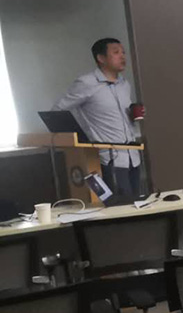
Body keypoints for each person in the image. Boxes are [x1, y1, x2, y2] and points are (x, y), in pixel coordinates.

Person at [53, 38, 144, 200]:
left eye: (123, 52)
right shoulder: (86, 83)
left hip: (133, 157)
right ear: (101, 58)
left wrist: (133, 113)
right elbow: (57, 111)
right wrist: (80, 137)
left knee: (137, 205)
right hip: (109, 159)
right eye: (116, 52)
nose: (122, 56)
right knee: (119, 207)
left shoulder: (124, 84)